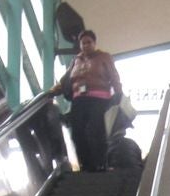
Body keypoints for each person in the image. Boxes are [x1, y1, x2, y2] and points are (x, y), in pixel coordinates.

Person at [48, 29, 122, 171]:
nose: (86, 45)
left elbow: (114, 76)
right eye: (83, 43)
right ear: (80, 45)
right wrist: (53, 92)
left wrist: (118, 93)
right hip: (79, 100)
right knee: (77, 132)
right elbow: (66, 79)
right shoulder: (77, 60)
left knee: (96, 130)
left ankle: (101, 163)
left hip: (99, 98)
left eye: (89, 42)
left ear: (94, 43)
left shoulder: (104, 57)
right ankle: (86, 164)